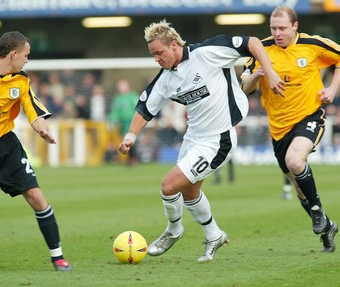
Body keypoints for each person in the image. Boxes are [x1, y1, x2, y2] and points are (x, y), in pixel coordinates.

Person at [119, 19, 284, 262]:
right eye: (153, 54)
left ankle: (174, 231)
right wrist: (130, 136)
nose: (156, 59)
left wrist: (269, 71)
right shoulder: (165, 79)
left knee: (168, 186)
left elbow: (253, 43)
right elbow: (145, 108)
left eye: (159, 53)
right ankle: (214, 235)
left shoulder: (207, 53)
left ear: (174, 45)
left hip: (219, 139)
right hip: (193, 138)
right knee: (189, 193)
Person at [241, 6, 340, 252]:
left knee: (294, 161)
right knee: (299, 188)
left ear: (295, 26)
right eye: (273, 28)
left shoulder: (312, 45)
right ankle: (326, 225)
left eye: (282, 28)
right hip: (278, 128)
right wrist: (256, 75)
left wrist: (333, 89)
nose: (277, 33)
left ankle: (316, 212)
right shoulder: (262, 49)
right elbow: (246, 87)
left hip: (309, 116)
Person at [0, 31, 72, 271]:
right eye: (26, 55)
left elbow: (33, 111)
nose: (28, 60)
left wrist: (43, 130)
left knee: (37, 198)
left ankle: (58, 257)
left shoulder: (21, 79)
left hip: (7, 146)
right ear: (14, 54)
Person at [109, 79, 139, 164]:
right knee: (125, 140)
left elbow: (138, 108)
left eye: (122, 86)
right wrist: (112, 120)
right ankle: (130, 158)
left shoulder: (132, 96)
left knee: (130, 139)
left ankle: (132, 158)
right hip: (122, 123)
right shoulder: (118, 98)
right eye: (119, 86)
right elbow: (115, 111)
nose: (121, 88)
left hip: (132, 121)